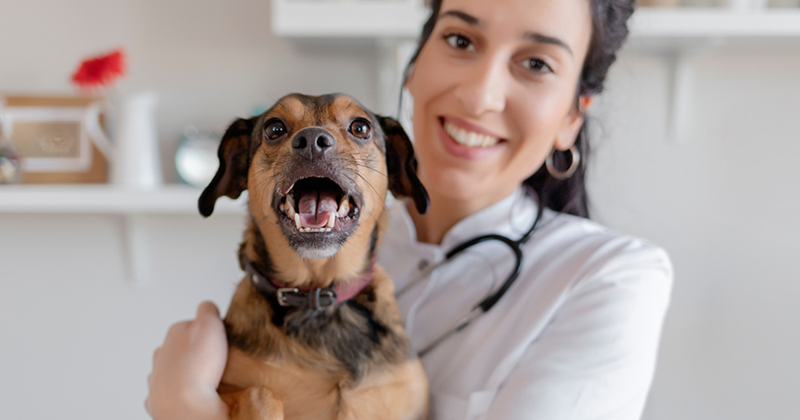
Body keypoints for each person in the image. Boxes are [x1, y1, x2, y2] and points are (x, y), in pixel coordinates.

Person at [145, 0, 673, 419]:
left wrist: (191, 408)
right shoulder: (305, 255)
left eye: (537, 64)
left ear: (573, 117)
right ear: (414, 66)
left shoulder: (612, 277)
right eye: (460, 40)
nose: (480, 95)